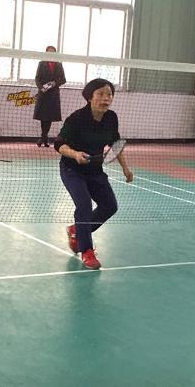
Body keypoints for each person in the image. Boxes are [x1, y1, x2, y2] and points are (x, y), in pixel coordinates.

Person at [54, 78, 133, 270]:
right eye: (101, 94)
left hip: (95, 170)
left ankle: (77, 230)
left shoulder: (111, 118)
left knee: (110, 206)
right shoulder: (77, 118)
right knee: (84, 205)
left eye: (109, 95)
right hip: (72, 169)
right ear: (90, 97)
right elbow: (59, 144)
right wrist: (75, 154)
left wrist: (126, 168)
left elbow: (116, 144)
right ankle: (87, 251)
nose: (106, 98)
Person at [33, 46, 66, 147]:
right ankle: (44, 138)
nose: (51, 54)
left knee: (49, 117)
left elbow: (63, 79)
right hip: (43, 94)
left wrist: (54, 83)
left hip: (53, 95)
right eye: (49, 52)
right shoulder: (41, 64)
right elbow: (37, 78)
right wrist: (41, 88)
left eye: (53, 52)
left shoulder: (59, 65)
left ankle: (43, 138)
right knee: (43, 116)